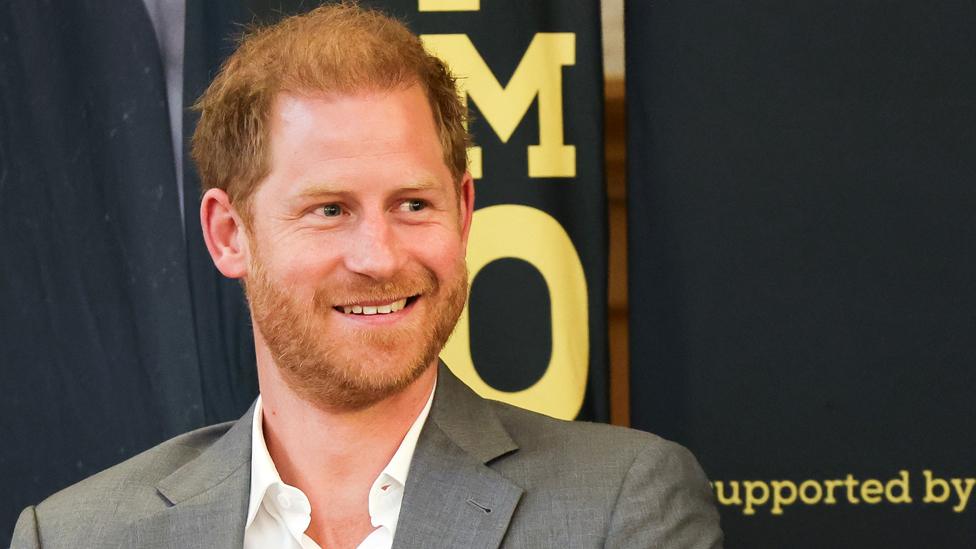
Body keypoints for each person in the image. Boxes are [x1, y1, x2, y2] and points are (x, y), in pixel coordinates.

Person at [11, 4, 722, 548]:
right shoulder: (76, 534)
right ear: (230, 235)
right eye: (329, 209)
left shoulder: (621, 505)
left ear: (465, 210)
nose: (379, 256)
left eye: (413, 203)